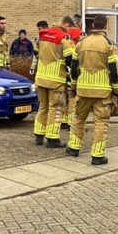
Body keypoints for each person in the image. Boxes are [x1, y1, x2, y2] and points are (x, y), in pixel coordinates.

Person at [66, 14, 118, 165]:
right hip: (102, 92)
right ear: (105, 27)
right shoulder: (109, 45)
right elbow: (114, 71)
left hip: (83, 90)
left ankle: (73, 147)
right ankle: (97, 156)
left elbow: (74, 68)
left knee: (78, 118)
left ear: (92, 26)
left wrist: (74, 87)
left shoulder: (81, 44)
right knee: (101, 122)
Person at [31, 19, 76, 148]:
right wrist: (73, 77)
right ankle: (52, 138)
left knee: (43, 106)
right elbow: (70, 60)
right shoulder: (65, 38)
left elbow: (36, 54)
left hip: (41, 77)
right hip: (56, 79)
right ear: (65, 26)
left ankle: (39, 135)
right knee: (55, 108)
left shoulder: (42, 35)